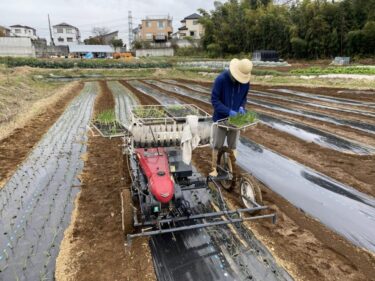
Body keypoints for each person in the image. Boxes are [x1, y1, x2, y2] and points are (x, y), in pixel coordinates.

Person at [209, 58, 253, 177]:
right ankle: (214, 168)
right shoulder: (221, 79)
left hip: (235, 119)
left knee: (233, 146)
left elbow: (244, 98)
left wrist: (242, 107)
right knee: (217, 145)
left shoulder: (245, 82)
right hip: (220, 118)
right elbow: (214, 100)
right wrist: (228, 111)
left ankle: (230, 168)